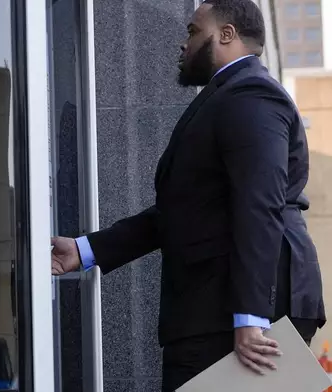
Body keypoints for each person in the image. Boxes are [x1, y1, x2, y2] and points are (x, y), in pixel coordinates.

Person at [50, 0, 326, 390]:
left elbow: (259, 203)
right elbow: (182, 212)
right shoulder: (228, 97)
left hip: (240, 311)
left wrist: (251, 318)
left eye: (194, 31)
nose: (183, 43)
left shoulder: (252, 95)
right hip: (217, 309)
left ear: (227, 34)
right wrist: (84, 250)